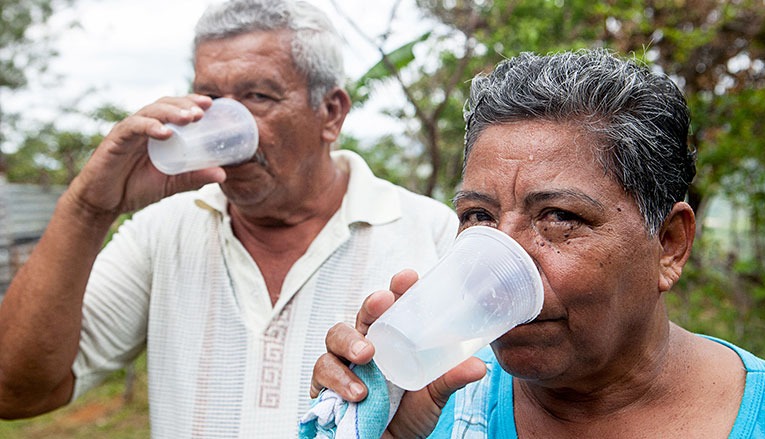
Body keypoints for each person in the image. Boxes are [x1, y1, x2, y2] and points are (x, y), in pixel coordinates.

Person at [0, 0, 459, 437]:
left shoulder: (431, 235)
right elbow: (16, 392)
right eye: (208, 97)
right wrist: (88, 209)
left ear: (331, 113)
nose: (224, 123)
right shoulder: (163, 230)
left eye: (256, 96)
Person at [309, 49, 765, 438]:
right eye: (479, 217)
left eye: (558, 218)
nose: (496, 269)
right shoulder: (431, 406)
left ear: (669, 244)